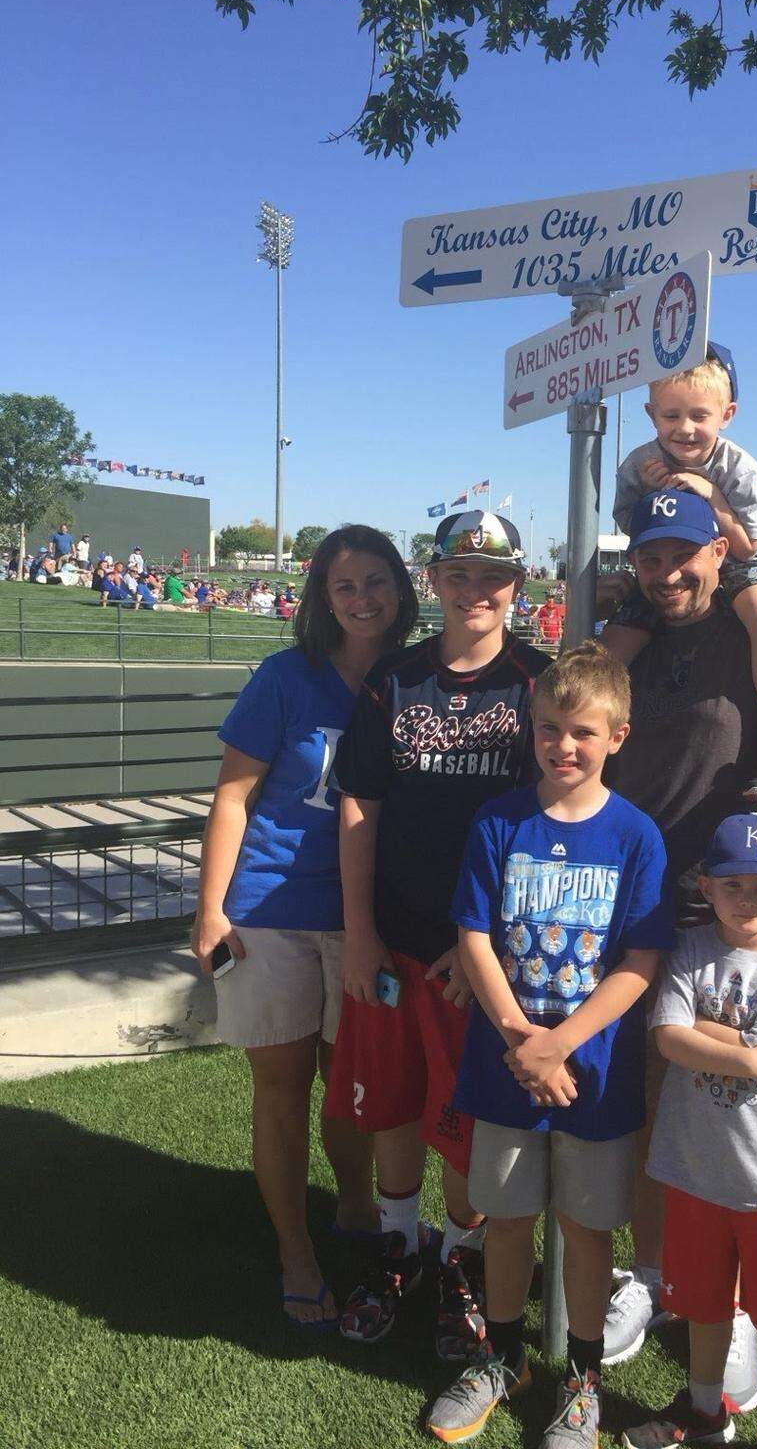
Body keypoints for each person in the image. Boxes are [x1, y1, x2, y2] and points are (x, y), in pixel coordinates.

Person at [601, 490, 757, 1410]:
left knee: (735, 1105)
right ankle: (657, 1275)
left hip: (736, 919)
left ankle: (739, 1303)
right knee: (647, 1105)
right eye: (649, 556)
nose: (668, 574)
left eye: (684, 555)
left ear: (720, 549)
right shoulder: (630, 632)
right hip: (633, 908)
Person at [426, 643, 673, 1449]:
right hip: (505, 1067)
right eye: (548, 729)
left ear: (617, 737)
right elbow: (472, 933)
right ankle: (502, 1359)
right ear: (530, 729)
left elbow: (639, 964)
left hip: (593, 1075)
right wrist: (520, 1040)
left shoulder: (637, 837)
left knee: (587, 1229)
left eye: (582, 732)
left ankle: (582, 1380)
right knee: (504, 1220)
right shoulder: (499, 821)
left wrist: (560, 1042)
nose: (563, 746)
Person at [324, 510, 550, 1361]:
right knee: (389, 1100)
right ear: (437, 581)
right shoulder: (398, 676)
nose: (476, 589)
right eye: (459, 574)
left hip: (478, 955)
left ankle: (458, 1259)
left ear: (516, 585)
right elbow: (360, 802)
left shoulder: (537, 679)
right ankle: (397, 1247)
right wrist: (358, 929)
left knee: (461, 1116)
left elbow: (547, 815)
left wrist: (486, 938)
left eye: (493, 576)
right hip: (396, 936)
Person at [190, 526, 419, 1329]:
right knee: (282, 1092)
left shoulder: (412, 681)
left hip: (366, 919)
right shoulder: (286, 678)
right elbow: (232, 798)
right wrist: (211, 906)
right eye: (344, 586)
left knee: (354, 1091)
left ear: (401, 587)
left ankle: (356, 1212)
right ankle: (296, 1252)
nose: (363, 599)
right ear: (323, 599)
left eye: (376, 581)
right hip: (272, 915)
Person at [623, 814, 757, 1449]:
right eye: (732, 886)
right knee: (702, 1305)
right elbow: (671, 1037)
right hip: (694, 1168)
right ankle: (706, 1412)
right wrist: (744, 1050)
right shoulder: (688, 950)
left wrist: (698, 1035)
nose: (748, 901)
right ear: (705, 887)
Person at [604, 346, 757, 803]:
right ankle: (582, 730)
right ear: (652, 414)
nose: (685, 428)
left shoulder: (740, 469)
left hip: (734, 561)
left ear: (726, 414)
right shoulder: (639, 464)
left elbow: (748, 545)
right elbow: (632, 529)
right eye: (671, 415)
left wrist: (712, 497)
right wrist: (653, 498)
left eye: (699, 415)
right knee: (616, 639)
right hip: (671, 565)